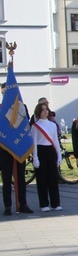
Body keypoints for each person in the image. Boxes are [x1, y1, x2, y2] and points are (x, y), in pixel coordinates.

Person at [0, 83, 33, 216]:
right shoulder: (1, 108)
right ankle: (8, 206)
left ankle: (23, 204)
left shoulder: (22, 107)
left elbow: (25, 125)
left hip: (19, 146)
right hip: (4, 148)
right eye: (3, 93)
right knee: (7, 178)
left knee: (20, 178)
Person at [30, 103, 62, 212]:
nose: (45, 111)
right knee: (42, 179)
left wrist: (59, 155)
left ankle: (55, 203)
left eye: (46, 109)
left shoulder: (52, 125)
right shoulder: (35, 126)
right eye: (42, 110)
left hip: (51, 151)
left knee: (53, 178)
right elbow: (33, 142)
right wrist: (35, 157)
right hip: (40, 151)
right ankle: (44, 204)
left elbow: (55, 141)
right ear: (38, 112)